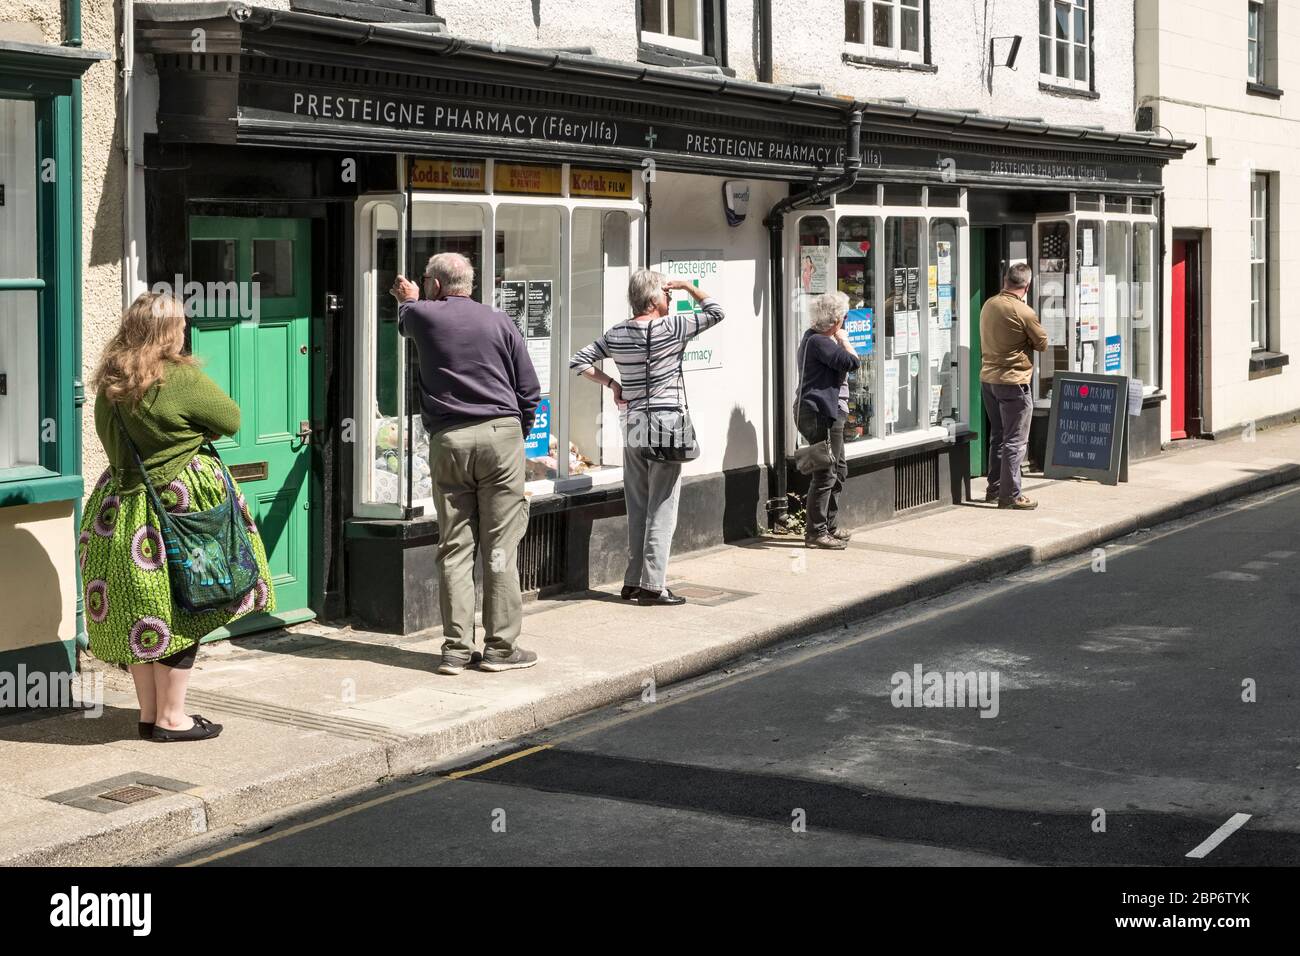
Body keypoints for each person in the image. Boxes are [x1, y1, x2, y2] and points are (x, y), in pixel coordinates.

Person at [81, 292, 276, 742]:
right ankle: (173, 719)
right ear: (170, 331)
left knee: (144, 611)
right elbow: (230, 419)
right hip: (182, 507)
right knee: (189, 602)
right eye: (181, 324)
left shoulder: (110, 382)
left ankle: (150, 715)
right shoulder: (178, 377)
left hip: (121, 511)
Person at [391, 253, 541, 675]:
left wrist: (410, 297)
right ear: (470, 284)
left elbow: (406, 319)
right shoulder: (500, 321)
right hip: (501, 434)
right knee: (499, 548)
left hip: (450, 440)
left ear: (435, 286)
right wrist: (516, 432)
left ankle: (456, 650)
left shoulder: (423, 315)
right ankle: (500, 650)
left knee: (455, 548)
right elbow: (528, 388)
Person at [569, 269, 724, 606]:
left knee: (637, 503)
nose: (671, 299)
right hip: (666, 422)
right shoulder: (673, 327)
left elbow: (578, 361)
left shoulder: (617, 332)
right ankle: (653, 585)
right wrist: (688, 286)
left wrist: (613, 385)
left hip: (633, 422)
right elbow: (716, 312)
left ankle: (632, 581)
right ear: (654, 301)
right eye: (667, 294)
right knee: (663, 506)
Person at [979, 262, 1048, 510]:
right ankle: (1012, 495)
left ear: (1005, 280)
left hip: (988, 380)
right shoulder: (1024, 311)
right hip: (1013, 382)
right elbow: (1042, 343)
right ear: (1026, 286)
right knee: (1015, 441)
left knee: (998, 437)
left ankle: (994, 489)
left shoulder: (989, 304)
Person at [795, 291, 860, 549]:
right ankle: (815, 532)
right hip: (819, 413)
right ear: (837, 320)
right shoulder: (821, 342)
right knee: (826, 472)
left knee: (838, 470)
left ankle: (828, 526)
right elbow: (852, 363)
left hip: (824, 412)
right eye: (843, 317)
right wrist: (844, 339)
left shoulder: (815, 338)